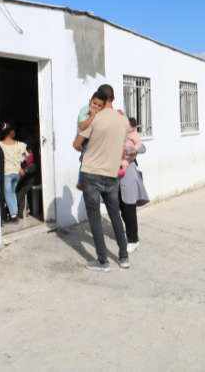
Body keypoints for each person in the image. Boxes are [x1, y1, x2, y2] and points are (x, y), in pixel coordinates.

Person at [73, 84, 130, 272]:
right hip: (111, 174)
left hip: (91, 174)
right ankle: (123, 256)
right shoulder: (123, 121)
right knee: (115, 214)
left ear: (100, 99)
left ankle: (103, 261)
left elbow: (76, 144)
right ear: (112, 99)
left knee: (95, 216)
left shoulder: (95, 119)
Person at [119, 140, 149, 253]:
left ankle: (133, 240)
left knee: (129, 209)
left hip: (128, 178)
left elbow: (143, 147)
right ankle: (132, 235)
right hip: (115, 178)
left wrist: (128, 149)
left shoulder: (131, 137)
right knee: (122, 209)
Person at [76, 91, 108, 190]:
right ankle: (81, 182)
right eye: (94, 103)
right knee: (85, 160)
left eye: (99, 105)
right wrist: (92, 116)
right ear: (90, 101)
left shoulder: (103, 113)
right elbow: (82, 126)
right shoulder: (85, 111)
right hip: (85, 139)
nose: (96, 107)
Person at [0, 122, 29, 222]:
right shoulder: (18, 145)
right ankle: (14, 213)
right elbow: (25, 156)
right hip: (16, 173)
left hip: (7, 174)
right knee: (13, 193)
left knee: (7, 194)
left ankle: (13, 216)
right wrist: (19, 162)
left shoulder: (0, 145)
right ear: (11, 132)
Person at [16, 144, 41, 218]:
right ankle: (24, 209)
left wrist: (25, 170)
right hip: (33, 176)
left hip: (37, 177)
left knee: (21, 183)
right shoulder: (35, 156)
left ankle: (23, 209)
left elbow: (36, 166)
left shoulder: (35, 156)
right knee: (23, 185)